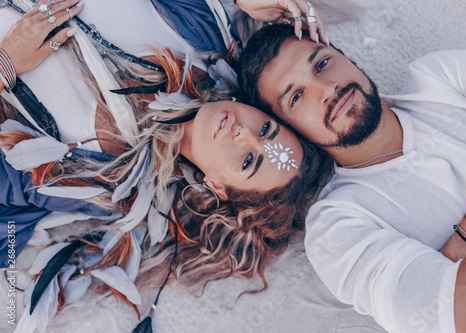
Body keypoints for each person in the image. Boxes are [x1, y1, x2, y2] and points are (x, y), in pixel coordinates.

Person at [0, 1, 333, 331]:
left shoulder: (96, 178)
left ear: (216, 186)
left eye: (248, 161)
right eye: (265, 129)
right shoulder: (204, 37)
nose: (243, 133)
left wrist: (7, 63)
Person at [239, 22, 466, 332]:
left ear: (345, 55)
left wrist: (458, 250)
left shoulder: (439, 77)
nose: (327, 89)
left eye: (322, 64)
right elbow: (458, 314)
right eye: (296, 97)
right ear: (292, 132)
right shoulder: (336, 225)